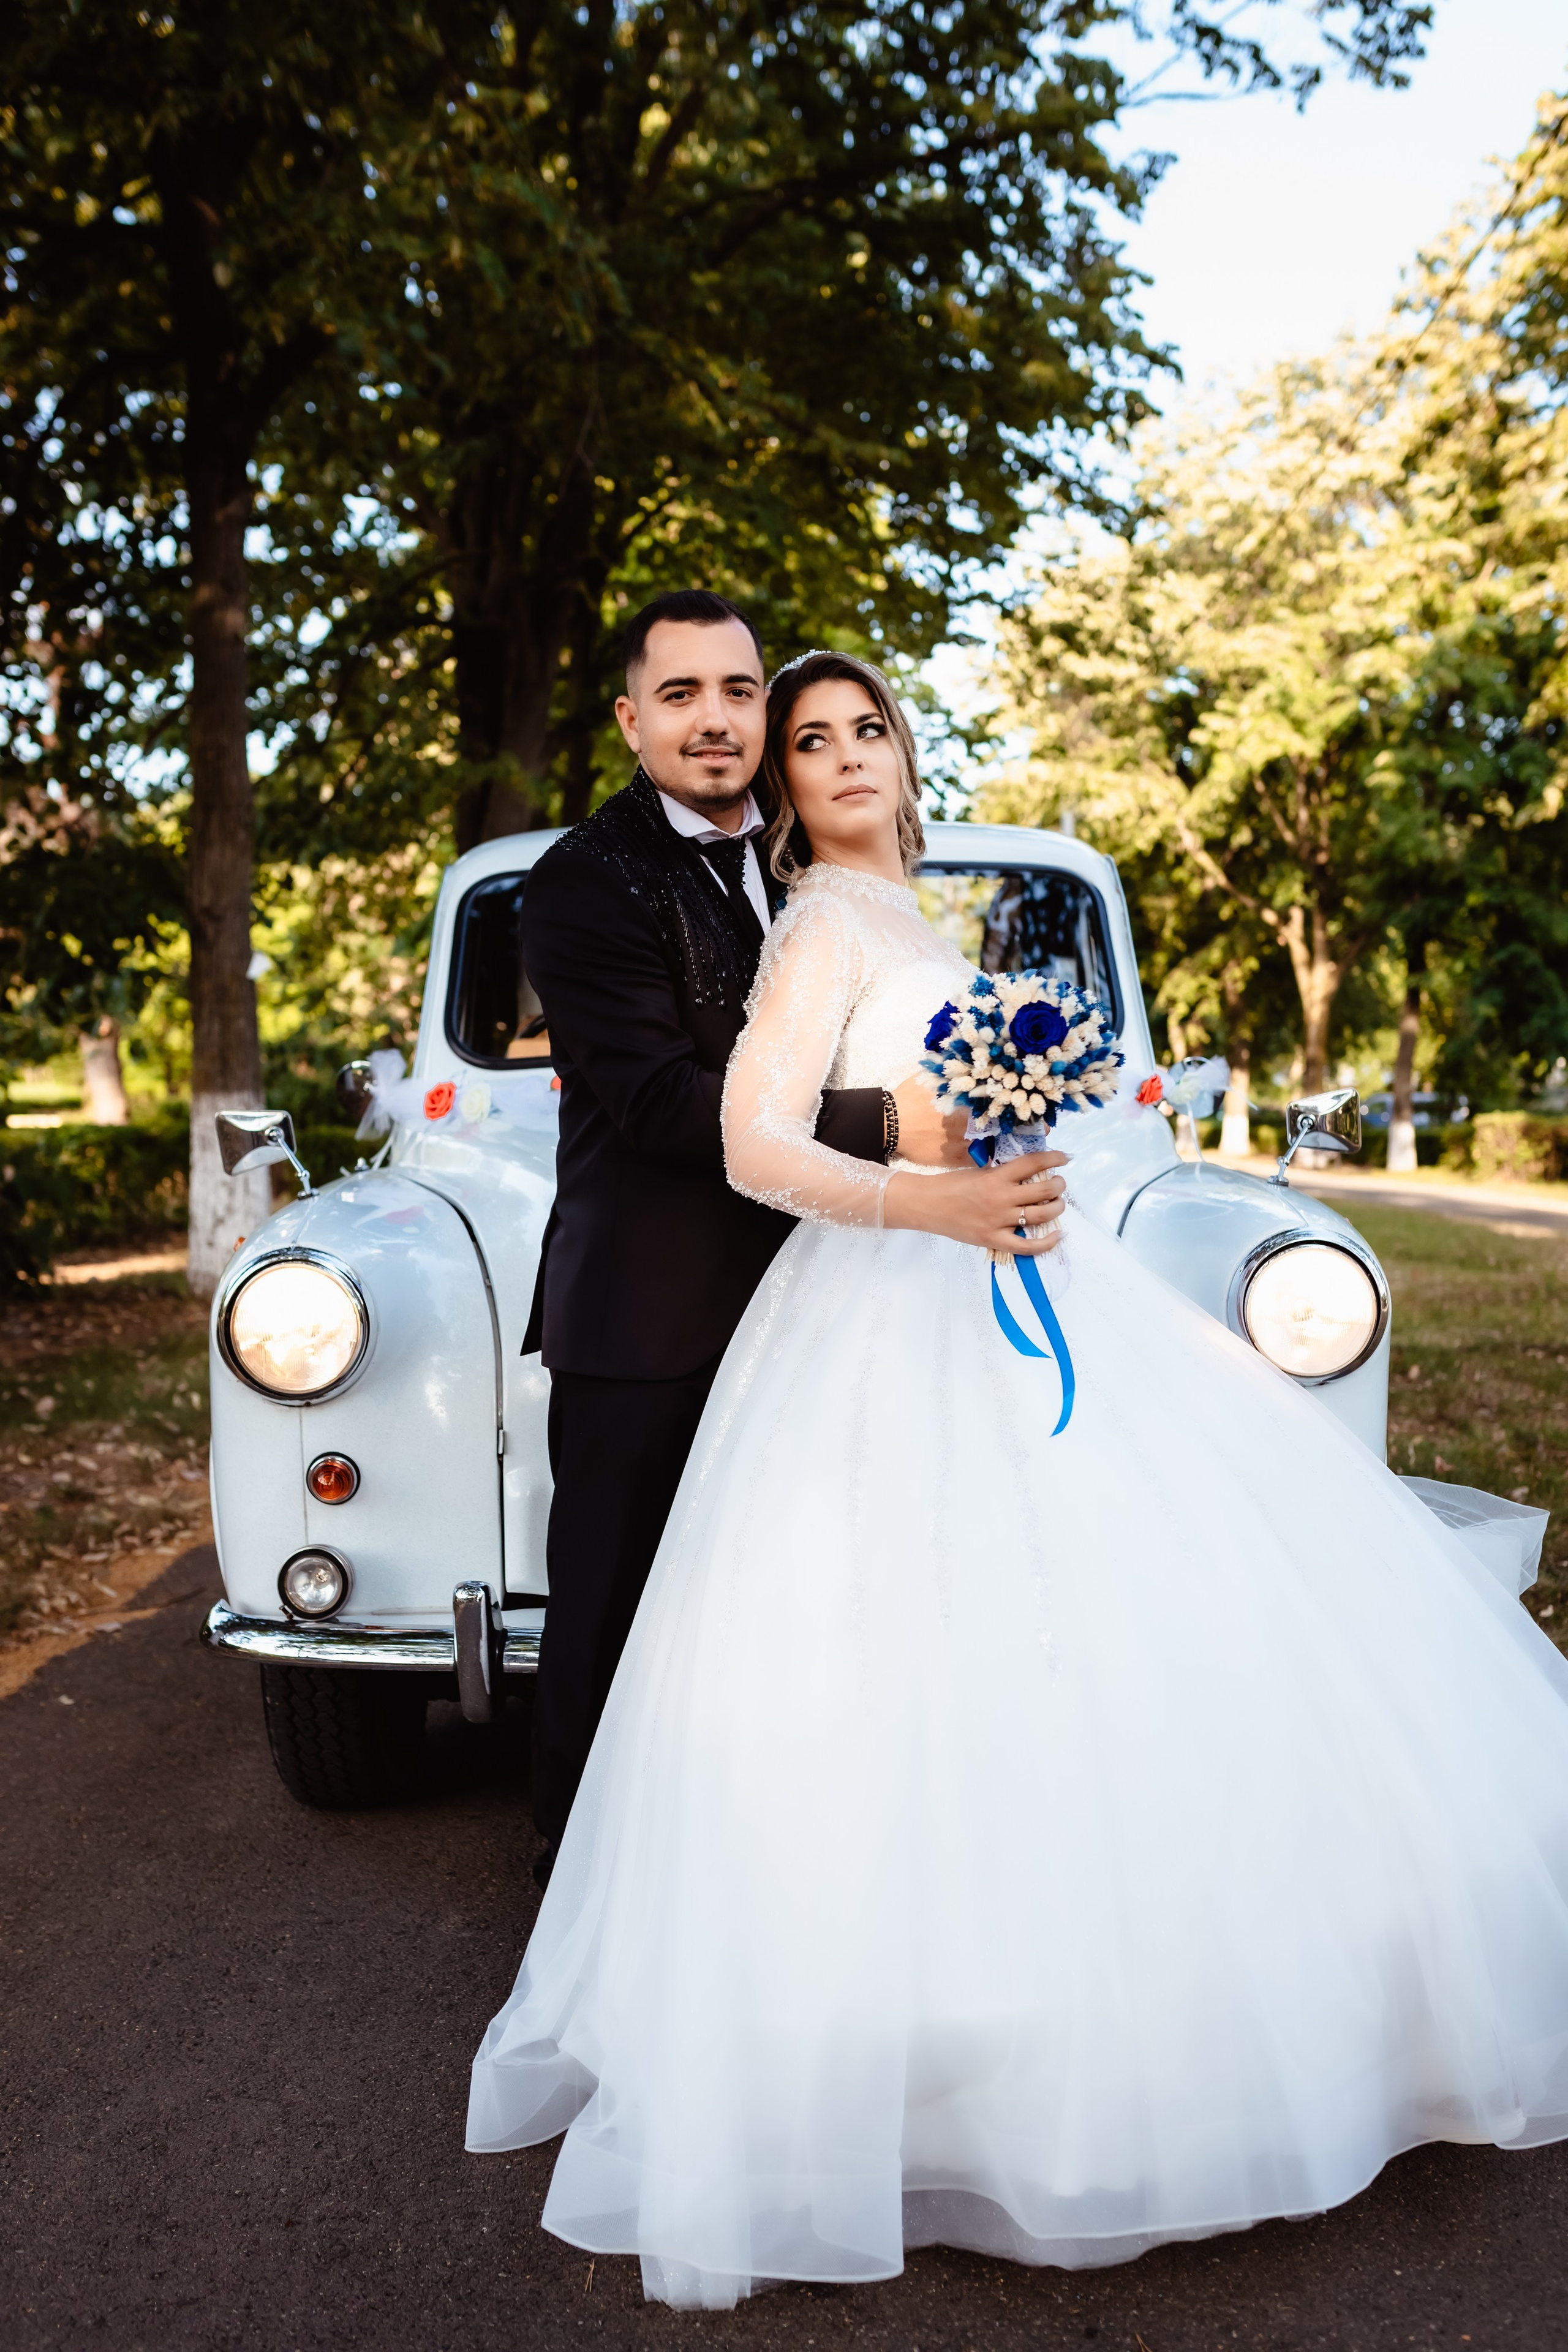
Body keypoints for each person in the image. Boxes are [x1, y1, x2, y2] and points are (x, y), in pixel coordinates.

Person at [471, 649, 1568, 2309]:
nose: (834, 751)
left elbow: (934, 1108)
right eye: (810, 736)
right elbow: (760, 1138)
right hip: (869, 1301)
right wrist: (937, 1186)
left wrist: (1001, 1149)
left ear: (909, 758)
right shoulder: (822, 927)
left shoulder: (919, 926)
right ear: (756, 771)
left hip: (1007, 1292)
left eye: (861, 728)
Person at [518, 595, 1068, 1882]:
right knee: (610, 1616)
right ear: (630, 717)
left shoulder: (803, 874)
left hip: (815, 1297)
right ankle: (579, 1882)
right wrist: (901, 1124)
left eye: (736, 691)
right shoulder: (584, 880)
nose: (713, 719)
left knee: (784, 1615)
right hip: (652, 1310)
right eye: (680, 694)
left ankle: (773, 1866)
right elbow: (661, 1104)